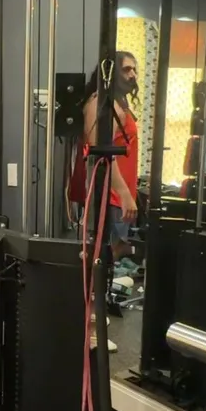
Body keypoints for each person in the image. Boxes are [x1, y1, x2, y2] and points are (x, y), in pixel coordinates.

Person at [68, 51, 141, 263]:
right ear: (112, 73)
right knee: (108, 262)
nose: (132, 75)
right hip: (110, 199)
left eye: (134, 69)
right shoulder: (99, 103)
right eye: (126, 69)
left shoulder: (117, 103)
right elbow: (99, 152)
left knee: (117, 264)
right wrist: (124, 193)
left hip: (118, 199)